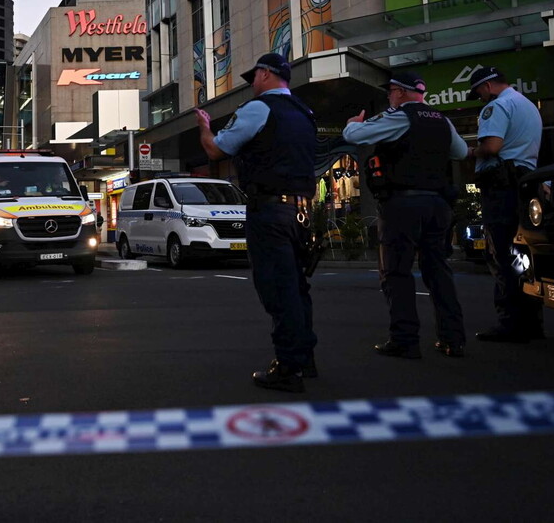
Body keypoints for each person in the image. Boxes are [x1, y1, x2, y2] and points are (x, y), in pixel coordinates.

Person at [195, 52, 318, 393]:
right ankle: (305, 358)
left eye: (254, 77)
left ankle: (289, 367)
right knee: (297, 286)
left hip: (270, 210)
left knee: (278, 287)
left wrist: (205, 127)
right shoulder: (305, 112)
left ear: (265, 74)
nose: (251, 84)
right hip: (302, 210)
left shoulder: (259, 108)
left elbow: (217, 151)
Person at [343, 71, 469, 358]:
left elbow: (357, 136)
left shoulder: (400, 117)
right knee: (438, 272)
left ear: (400, 92)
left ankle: (405, 339)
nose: (389, 97)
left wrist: (352, 125)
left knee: (397, 272)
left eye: (390, 92)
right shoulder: (442, 120)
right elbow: (460, 152)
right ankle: (453, 338)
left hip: (403, 204)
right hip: (437, 205)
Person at [467, 66, 544, 343]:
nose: (479, 99)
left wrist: (470, 151)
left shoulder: (497, 107)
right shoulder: (527, 105)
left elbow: (492, 146)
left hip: (501, 187)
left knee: (501, 253)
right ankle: (532, 320)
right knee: (524, 254)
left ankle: (510, 321)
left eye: (478, 93)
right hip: (525, 183)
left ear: (487, 87)